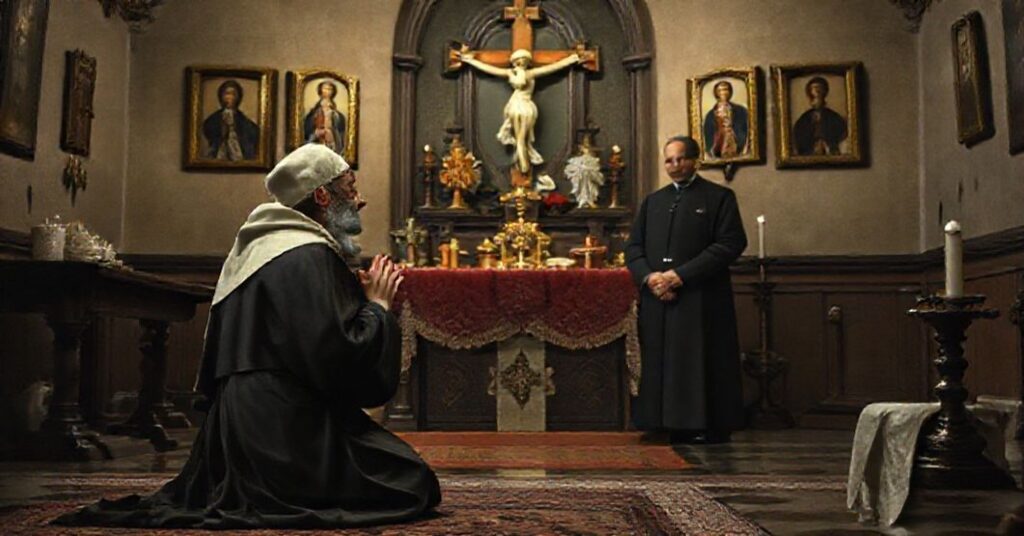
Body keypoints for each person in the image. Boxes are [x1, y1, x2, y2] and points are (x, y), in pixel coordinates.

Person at [54, 144, 441, 529]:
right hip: (284, 432)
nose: (361, 201)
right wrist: (377, 306)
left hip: (237, 430)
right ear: (323, 195)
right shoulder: (309, 254)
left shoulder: (260, 250)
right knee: (412, 482)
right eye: (351, 188)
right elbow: (336, 354)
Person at [625, 135, 747, 444]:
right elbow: (634, 248)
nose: (675, 165)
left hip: (700, 297)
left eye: (681, 159)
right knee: (660, 361)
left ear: (696, 161)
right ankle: (660, 421)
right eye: (669, 160)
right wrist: (651, 278)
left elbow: (730, 243)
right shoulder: (653, 201)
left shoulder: (719, 197)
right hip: (657, 297)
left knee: (699, 361)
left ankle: (701, 424)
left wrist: (680, 276)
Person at [457, 48, 580, 175]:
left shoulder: (513, 73)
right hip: (525, 107)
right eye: (521, 60)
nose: (522, 63)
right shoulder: (529, 74)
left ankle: (523, 162)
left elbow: (553, 67)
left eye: (523, 60)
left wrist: (470, 60)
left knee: (521, 138)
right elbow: (553, 67)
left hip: (518, 106)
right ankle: (524, 162)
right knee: (522, 138)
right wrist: (571, 59)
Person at [202, 80, 260, 160]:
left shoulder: (243, 120)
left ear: (238, 97)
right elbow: (209, 131)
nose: (229, 98)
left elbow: (252, 131)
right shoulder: (213, 119)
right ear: (221, 96)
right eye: (227, 94)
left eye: (233, 94)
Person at [792, 77, 848, 156]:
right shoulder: (804, 119)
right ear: (810, 92)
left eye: (820, 88)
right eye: (814, 88)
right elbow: (799, 136)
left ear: (825, 91)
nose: (817, 91)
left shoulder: (834, 118)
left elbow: (841, 135)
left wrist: (827, 144)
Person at [702, 80, 749, 159]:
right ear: (716, 93)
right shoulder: (710, 115)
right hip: (719, 142)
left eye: (725, 89)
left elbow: (745, 128)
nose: (723, 93)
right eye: (720, 90)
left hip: (735, 141)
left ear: (730, 92)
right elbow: (708, 134)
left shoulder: (741, 110)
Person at [304, 80, 347, 155]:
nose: (327, 91)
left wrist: (332, 131)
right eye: (325, 88)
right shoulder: (315, 112)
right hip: (318, 140)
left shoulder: (336, 113)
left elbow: (339, 127)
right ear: (320, 90)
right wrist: (317, 132)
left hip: (331, 140)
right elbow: (308, 126)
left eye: (330, 89)